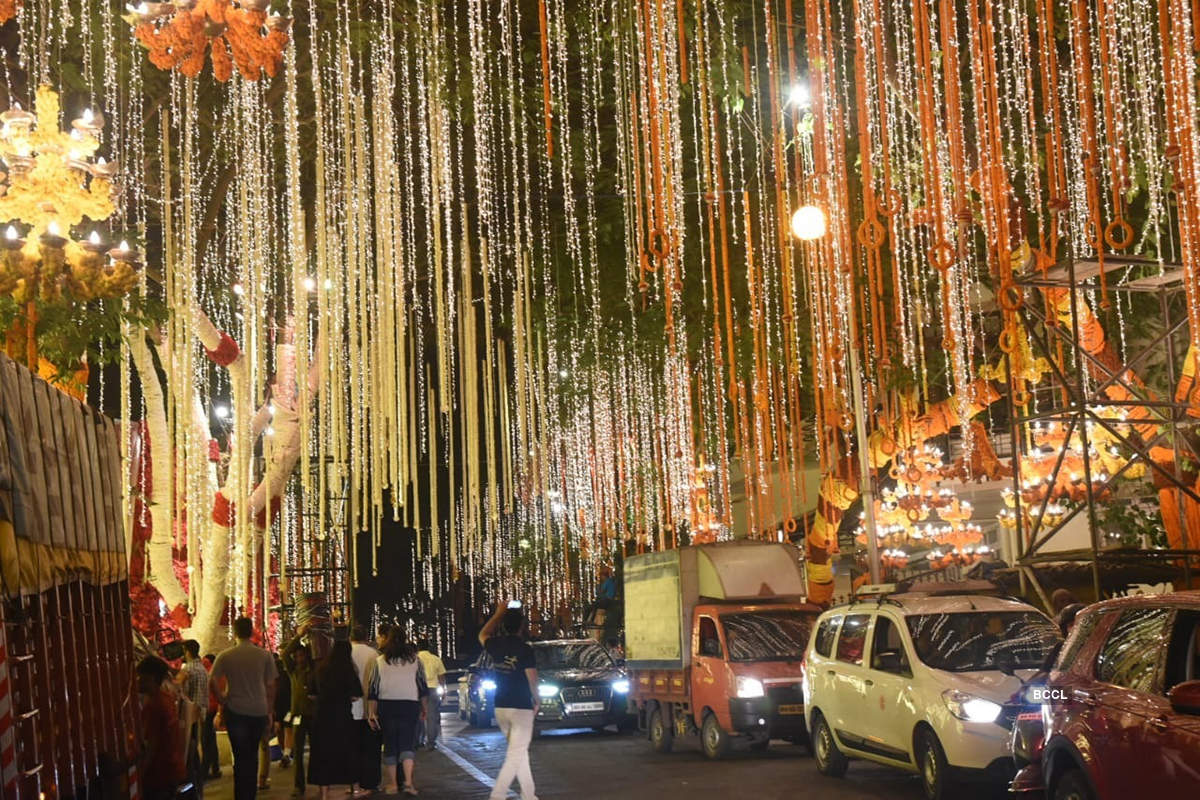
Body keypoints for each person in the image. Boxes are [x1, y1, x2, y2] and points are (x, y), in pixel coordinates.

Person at [211, 617, 279, 800]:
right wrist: (269, 710)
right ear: (251, 631)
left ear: (235, 631)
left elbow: (213, 680)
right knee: (253, 754)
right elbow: (271, 685)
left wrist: (222, 699)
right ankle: (251, 793)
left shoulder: (226, 656)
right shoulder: (264, 655)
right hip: (258, 709)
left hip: (236, 710)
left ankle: (241, 794)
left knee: (240, 756)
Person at [479, 603, 540, 800]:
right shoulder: (524, 649)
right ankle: (497, 795)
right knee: (516, 754)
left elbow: (482, 634)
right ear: (521, 626)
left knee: (518, 751)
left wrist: (497, 614)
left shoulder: (495, 645)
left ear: (503, 626)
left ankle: (529, 794)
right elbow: (532, 678)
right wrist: (537, 699)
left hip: (501, 706)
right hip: (521, 706)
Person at [367, 628, 427, 796]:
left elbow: (373, 689)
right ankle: (408, 783)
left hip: (387, 706)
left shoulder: (379, 661)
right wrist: (424, 708)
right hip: (410, 705)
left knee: (390, 745)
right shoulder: (415, 660)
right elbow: (422, 686)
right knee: (408, 744)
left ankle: (393, 784)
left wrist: (372, 712)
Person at [308, 639, 362, 798]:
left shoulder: (320, 669)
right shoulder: (349, 670)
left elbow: (311, 693)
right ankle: (355, 788)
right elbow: (356, 695)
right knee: (348, 751)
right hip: (342, 716)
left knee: (323, 754)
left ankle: (324, 793)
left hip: (322, 717)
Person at [136, 656, 187, 800]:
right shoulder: (166, 698)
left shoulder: (153, 706)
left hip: (159, 774)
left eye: (140, 677)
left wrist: (140, 774)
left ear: (150, 678)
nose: (137, 681)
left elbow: (151, 745)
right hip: (172, 769)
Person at [350, 625, 381, 795]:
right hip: (370, 708)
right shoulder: (373, 654)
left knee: (353, 748)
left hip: (351, 708)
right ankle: (371, 782)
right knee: (371, 749)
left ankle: (354, 784)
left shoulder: (347, 653)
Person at [283, 638, 316, 797]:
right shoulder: (293, 671)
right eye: (296, 656)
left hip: (312, 715)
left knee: (317, 751)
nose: (299, 659)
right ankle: (299, 785)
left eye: (302, 655)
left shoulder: (313, 670)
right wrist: (298, 637)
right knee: (297, 752)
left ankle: (318, 781)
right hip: (298, 715)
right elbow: (285, 654)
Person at [176, 640, 209, 794]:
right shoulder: (202, 668)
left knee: (191, 754)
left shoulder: (188, 670)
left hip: (190, 716)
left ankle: (194, 787)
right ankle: (199, 786)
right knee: (197, 750)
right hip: (201, 712)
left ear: (187, 651)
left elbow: (183, 695)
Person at [416, 640, 446, 749]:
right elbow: (441, 676)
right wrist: (443, 690)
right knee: (432, 717)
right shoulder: (435, 659)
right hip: (433, 689)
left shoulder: (414, 659)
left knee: (418, 715)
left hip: (418, 689)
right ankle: (431, 742)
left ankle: (418, 741)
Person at [202, 654, 221, 779]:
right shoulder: (218, 672)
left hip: (209, 710)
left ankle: (206, 769)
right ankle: (215, 768)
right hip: (214, 709)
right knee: (211, 740)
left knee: (207, 741)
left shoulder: (208, 672)